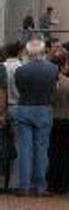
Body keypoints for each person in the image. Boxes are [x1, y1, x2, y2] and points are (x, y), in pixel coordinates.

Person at [11, 39, 59, 196]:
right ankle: (40, 186)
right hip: (44, 107)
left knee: (25, 149)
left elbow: (19, 89)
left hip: (24, 107)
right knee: (42, 149)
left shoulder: (20, 71)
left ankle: (24, 185)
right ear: (43, 52)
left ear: (28, 53)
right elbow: (54, 89)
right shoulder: (52, 69)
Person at [47, 50, 69, 194]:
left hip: (52, 119)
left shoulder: (48, 81)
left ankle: (52, 182)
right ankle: (65, 183)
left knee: (53, 152)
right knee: (67, 153)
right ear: (63, 66)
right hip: (67, 119)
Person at [0, 41, 23, 193]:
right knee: (17, 145)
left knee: (3, 145)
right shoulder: (21, 68)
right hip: (16, 106)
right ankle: (14, 182)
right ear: (19, 52)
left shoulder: (4, 67)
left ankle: (2, 179)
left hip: (3, 108)